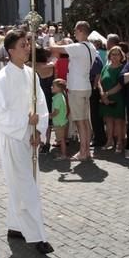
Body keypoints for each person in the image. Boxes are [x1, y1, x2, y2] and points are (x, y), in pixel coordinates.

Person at [0, 29, 54, 255]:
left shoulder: (31, 74)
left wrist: (38, 130)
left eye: (28, 44)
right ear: (11, 50)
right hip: (12, 137)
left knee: (26, 182)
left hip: (29, 137)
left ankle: (15, 226)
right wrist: (25, 123)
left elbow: (40, 105)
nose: (28, 48)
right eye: (23, 45)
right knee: (26, 186)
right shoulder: (1, 79)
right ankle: (38, 236)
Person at [49, 21, 97, 161]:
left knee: (80, 121)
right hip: (85, 86)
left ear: (81, 30)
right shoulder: (91, 47)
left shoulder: (78, 47)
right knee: (85, 121)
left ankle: (83, 152)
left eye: (76, 31)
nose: (74, 33)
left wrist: (51, 34)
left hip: (77, 88)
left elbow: (53, 48)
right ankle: (86, 151)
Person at [98, 46, 126, 152]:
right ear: (109, 56)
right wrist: (102, 93)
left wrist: (106, 94)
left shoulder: (123, 68)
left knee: (118, 121)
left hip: (118, 97)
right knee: (108, 120)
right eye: (112, 54)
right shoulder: (106, 67)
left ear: (121, 56)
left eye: (117, 54)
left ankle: (119, 142)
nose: (114, 56)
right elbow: (99, 81)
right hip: (105, 97)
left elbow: (120, 85)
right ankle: (109, 141)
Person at [50, 78, 69, 160]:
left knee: (61, 140)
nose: (51, 87)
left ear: (59, 88)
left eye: (53, 86)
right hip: (62, 121)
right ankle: (62, 153)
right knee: (62, 140)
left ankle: (63, 155)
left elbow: (56, 112)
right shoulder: (61, 96)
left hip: (59, 123)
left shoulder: (58, 98)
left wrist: (49, 116)